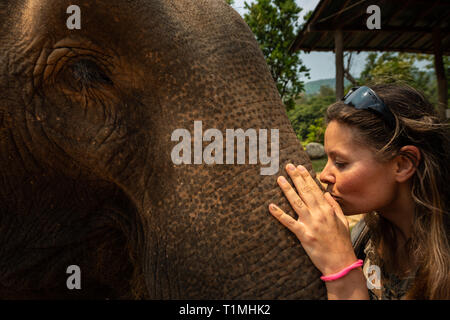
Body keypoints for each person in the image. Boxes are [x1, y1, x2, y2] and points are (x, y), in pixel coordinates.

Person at [268, 84, 450, 300]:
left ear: (402, 165)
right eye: (327, 159)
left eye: (341, 163)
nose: (324, 175)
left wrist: (341, 270)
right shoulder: (365, 236)